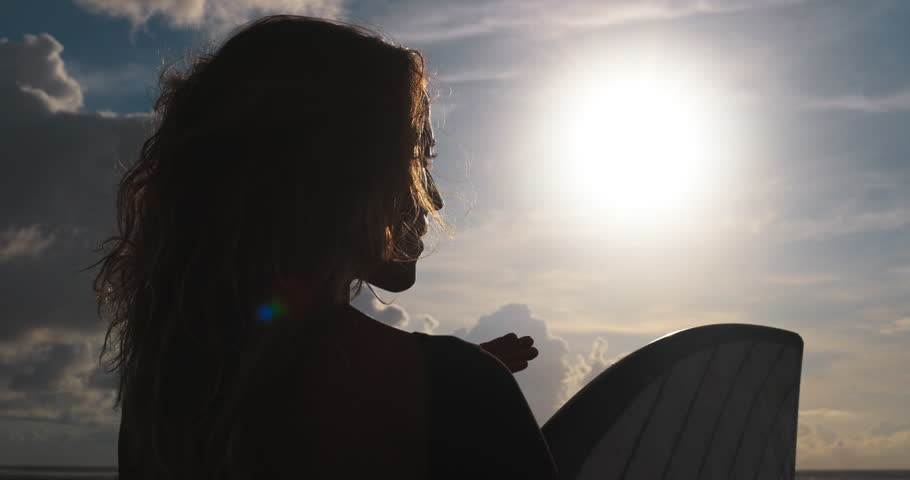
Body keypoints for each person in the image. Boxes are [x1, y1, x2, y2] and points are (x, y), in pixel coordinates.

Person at [92, 14, 558, 479]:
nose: (431, 196)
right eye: (417, 158)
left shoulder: (165, 404)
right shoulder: (459, 390)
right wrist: (457, 391)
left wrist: (447, 386)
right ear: (339, 176)